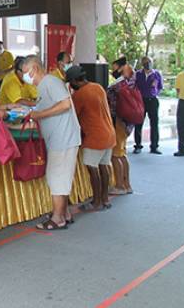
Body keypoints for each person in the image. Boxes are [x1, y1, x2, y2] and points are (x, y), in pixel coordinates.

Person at [21, 55, 81, 230]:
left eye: (25, 72)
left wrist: (39, 114)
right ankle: (64, 213)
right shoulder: (43, 86)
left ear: (35, 69)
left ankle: (57, 219)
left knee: (57, 178)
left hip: (63, 138)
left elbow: (65, 104)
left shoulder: (51, 82)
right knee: (60, 177)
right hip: (57, 138)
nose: (24, 76)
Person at [66, 66, 115, 211]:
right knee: (104, 166)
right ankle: (105, 199)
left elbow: (72, 115)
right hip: (109, 133)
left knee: (92, 168)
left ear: (75, 81)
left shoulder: (80, 95)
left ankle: (96, 202)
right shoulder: (98, 87)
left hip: (95, 136)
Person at [106, 57, 136, 194]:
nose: (113, 71)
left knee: (115, 155)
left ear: (122, 67)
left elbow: (111, 105)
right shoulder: (131, 83)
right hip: (128, 123)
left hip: (118, 122)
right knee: (122, 154)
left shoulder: (117, 85)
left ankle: (119, 186)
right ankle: (127, 184)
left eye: (115, 68)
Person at [133, 56, 163, 155]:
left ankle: (154, 146)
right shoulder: (138, 74)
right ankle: (138, 145)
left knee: (154, 123)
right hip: (141, 100)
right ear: (142, 64)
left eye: (149, 61)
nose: (148, 64)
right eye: (145, 62)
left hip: (152, 100)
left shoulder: (156, 74)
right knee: (138, 123)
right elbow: (134, 86)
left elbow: (160, 87)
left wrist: (154, 92)